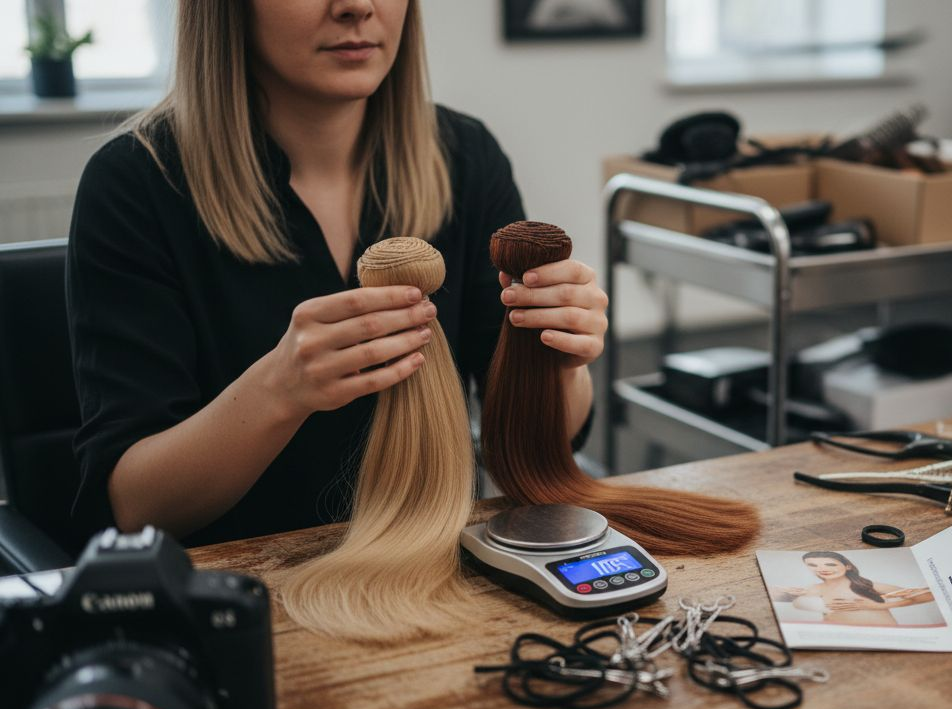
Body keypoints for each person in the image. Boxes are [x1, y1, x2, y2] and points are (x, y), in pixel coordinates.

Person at [65, 0, 608, 546]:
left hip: (444, 576)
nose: (357, 6)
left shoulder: (466, 158)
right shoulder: (135, 187)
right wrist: (281, 389)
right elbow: (133, 509)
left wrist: (558, 362)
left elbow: (535, 443)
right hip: (243, 601)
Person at [769, 551, 937, 627]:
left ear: (847, 566)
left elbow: (928, 595)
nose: (822, 569)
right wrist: (785, 591)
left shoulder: (867, 585)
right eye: (812, 565)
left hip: (889, 638)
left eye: (830, 563)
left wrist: (880, 606)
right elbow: (770, 595)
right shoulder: (812, 590)